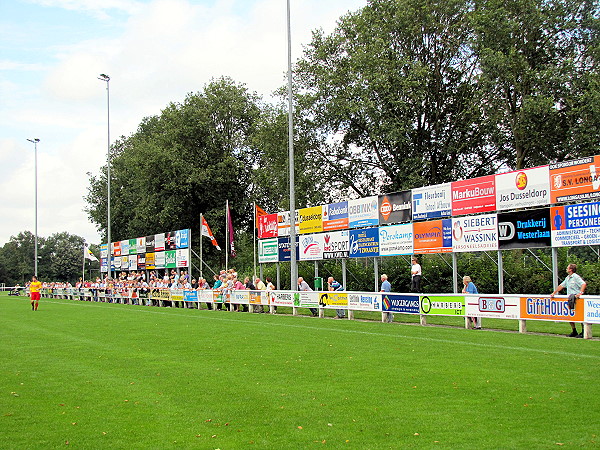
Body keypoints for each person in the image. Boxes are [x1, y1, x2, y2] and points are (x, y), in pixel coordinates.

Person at [550, 263, 587, 338]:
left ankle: (584, 331)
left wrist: (580, 293)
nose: (566, 269)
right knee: (570, 315)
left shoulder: (576, 277)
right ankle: (574, 331)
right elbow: (562, 285)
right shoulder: (568, 278)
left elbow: (583, 284)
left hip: (577, 299)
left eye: (567, 268)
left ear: (571, 269)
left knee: (579, 315)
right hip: (570, 299)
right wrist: (554, 293)